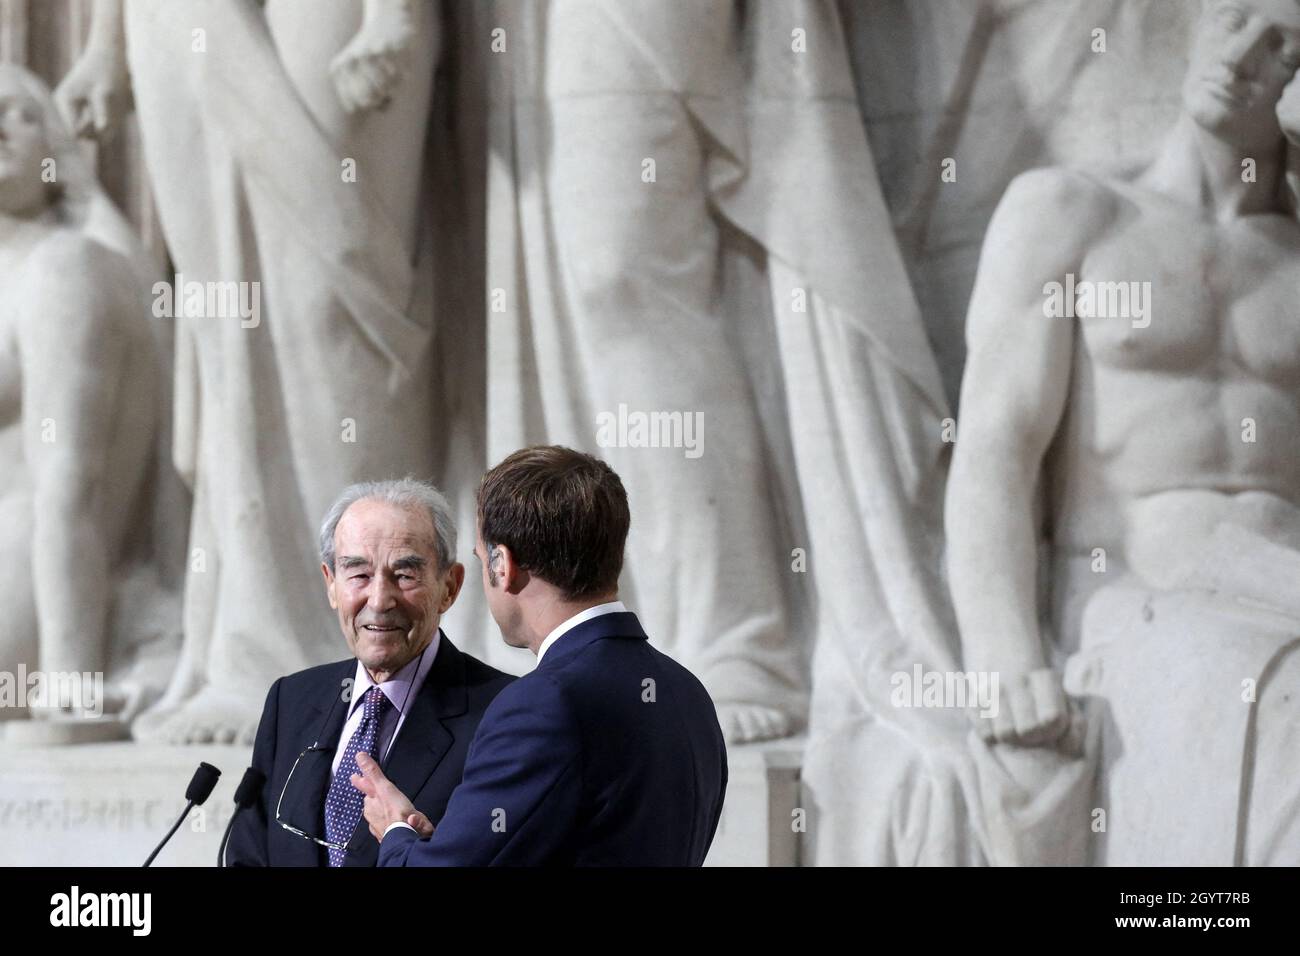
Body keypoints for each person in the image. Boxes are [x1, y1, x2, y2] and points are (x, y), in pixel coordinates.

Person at [947, 0, 1300, 864]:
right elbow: (996, 451)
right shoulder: (1072, 213)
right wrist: (1005, 659)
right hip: (1139, 591)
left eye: (1283, 41)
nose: (1242, 55)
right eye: (1233, 19)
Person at [355, 447, 728, 865]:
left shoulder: (543, 703)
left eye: (481, 560)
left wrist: (395, 833)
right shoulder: (687, 690)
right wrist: (447, 843)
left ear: (504, 565)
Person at [225, 479, 512, 866]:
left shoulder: (504, 713)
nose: (379, 600)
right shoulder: (290, 700)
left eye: (405, 575)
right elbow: (248, 856)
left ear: (450, 586)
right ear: (331, 583)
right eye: (358, 574)